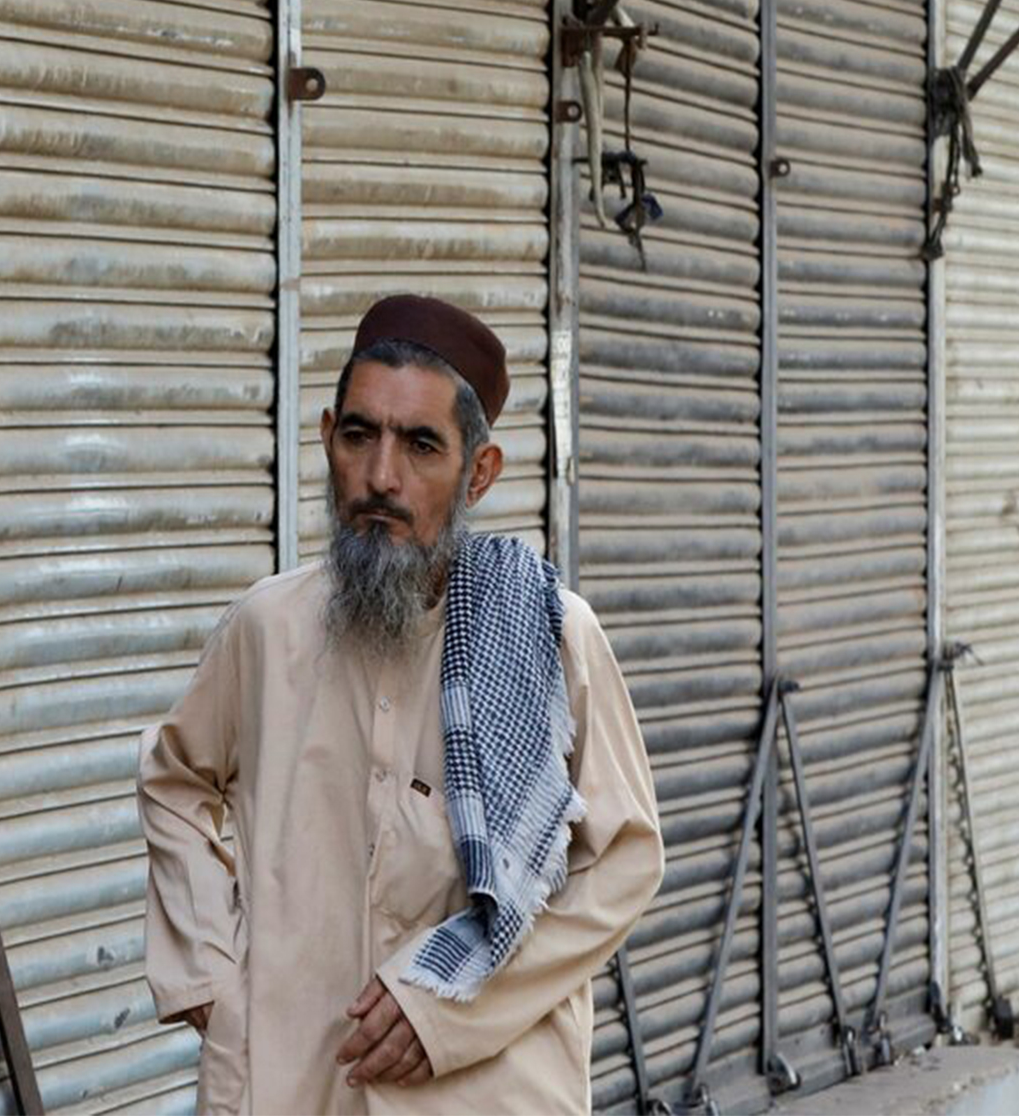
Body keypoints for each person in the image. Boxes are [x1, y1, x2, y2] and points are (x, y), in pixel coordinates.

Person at [137, 294, 664, 1114]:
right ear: (326, 439)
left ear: (478, 474)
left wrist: (450, 1008)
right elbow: (176, 783)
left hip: (484, 1087)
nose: (382, 477)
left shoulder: (551, 635)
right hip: (288, 1078)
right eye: (360, 436)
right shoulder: (268, 627)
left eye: (421, 446)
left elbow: (624, 858)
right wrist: (209, 972)